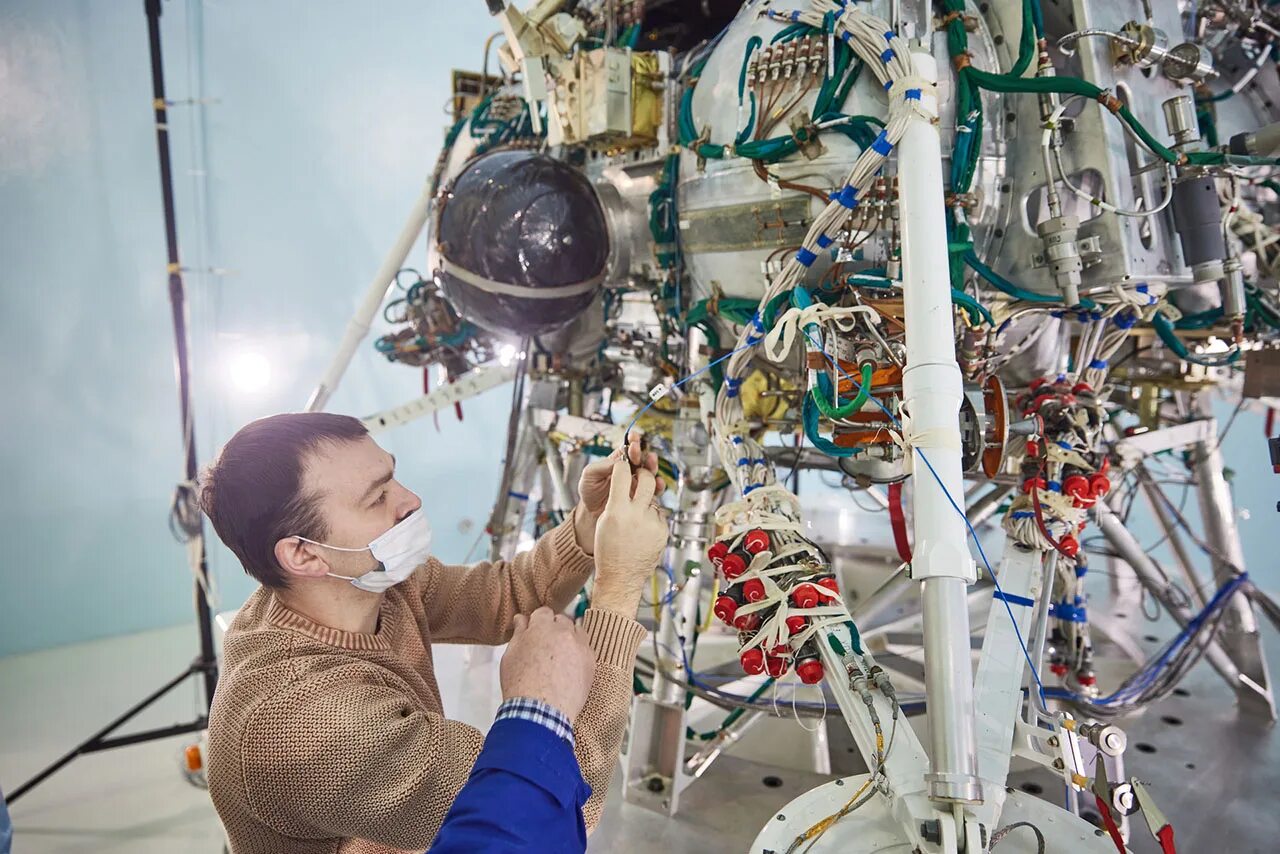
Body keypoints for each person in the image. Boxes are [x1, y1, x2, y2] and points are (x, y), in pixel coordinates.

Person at [198, 413, 667, 853]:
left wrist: (590, 525)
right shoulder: (303, 724)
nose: (410, 500)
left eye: (392, 476)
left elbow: (504, 595)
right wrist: (619, 586)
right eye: (377, 497)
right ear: (303, 555)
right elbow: (559, 802)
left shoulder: (374, 584)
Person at [427, 607, 596, 854]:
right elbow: (571, 805)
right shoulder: (357, 732)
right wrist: (536, 714)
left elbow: (501, 591)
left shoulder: (397, 593)